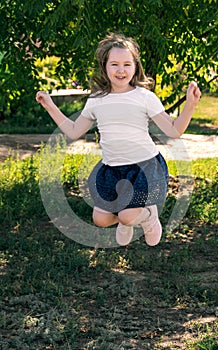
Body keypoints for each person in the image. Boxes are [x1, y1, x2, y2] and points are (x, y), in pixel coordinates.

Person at [36, 32, 201, 247]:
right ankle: (127, 221)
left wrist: (190, 105)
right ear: (105, 66)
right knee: (101, 219)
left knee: (126, 214)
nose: (121, 70)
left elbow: (173, 130)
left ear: (135, 67)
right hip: (112, 170)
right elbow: (74, 131)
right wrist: (49, 105)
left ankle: (148, 217)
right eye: (114, 64)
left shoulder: (144, 97)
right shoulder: (96, 100)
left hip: (143, 168)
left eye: (126, 64)